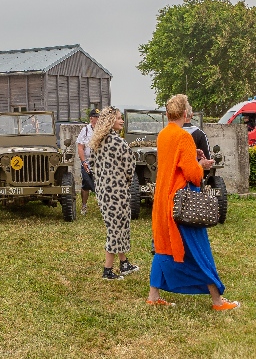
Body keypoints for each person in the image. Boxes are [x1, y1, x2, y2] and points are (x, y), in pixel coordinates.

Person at [147, 94, 239, 310]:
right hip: (182, 203)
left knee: (163, 247)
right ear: (186, 114)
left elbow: (173, 162)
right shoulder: (184, 137)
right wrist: (202, 165)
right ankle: (217, 301)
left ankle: (153, 297)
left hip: (163, 199)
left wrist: (193, 156)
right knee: (200, 249)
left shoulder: (163, 135)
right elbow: (193, 175)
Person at [88, 106, 138, 280]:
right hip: (118, 193)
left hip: (103, 192)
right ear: (110, 121)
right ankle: (107, 270)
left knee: (118, 226)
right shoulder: (119, 142)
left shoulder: (97, 141)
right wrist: (124, 182)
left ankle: (124, 264)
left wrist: (102, 181)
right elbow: (130, 167)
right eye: (118, 118)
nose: (122, 121)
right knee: (116, 229)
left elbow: (91, 165)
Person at [76, 108, 100, 215]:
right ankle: (84, 205)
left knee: (101, 184)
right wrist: (83, 162)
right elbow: (80, 147)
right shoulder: (85, 130)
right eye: (96, 117)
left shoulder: (102, 130)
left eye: (99, 117)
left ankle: (103, 206)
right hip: (88, 161)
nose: (98, 119)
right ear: (91, 118)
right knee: (86, 184)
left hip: (100, 162)